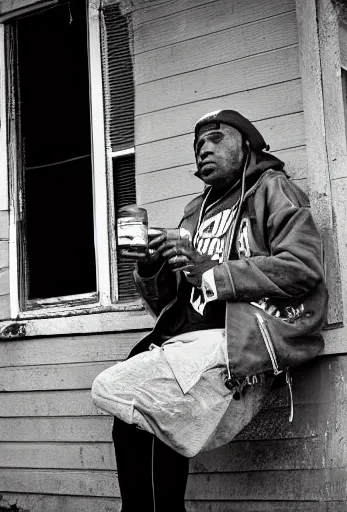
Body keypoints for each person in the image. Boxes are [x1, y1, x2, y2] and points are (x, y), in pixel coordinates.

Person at [91, 110, 327, 511]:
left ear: (247, 146)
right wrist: (151, 269)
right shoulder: (192, 212)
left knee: (123, 394)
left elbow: (302, 267)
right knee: (136, 420)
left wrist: (215, 271)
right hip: (183, 336)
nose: (204, 148)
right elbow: (171, 302)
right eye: (199, 144)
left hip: (239, 339)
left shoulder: (273, 190)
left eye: (216, 139)